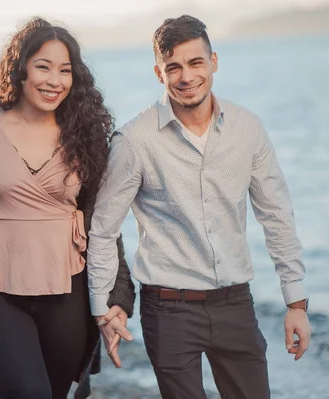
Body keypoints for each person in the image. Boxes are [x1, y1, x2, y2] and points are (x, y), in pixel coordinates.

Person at [88, 15, 311, 398]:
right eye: (173, 67)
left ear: (214, 62)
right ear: (159, 73)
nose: (186, 76)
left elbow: (275, 215)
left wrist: (297, 302)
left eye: (195, 63)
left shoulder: (248, 128)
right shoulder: (134, 140)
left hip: (235, 304)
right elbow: (104, 229)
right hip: (169, 310)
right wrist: (101, 305)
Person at [0, 17, 135, 399]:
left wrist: (116, 297)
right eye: (43, 67)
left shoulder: (84, 132)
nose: (55, 80)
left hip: (65, 288)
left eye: (65, 70)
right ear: (19, 70)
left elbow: (103, 225)